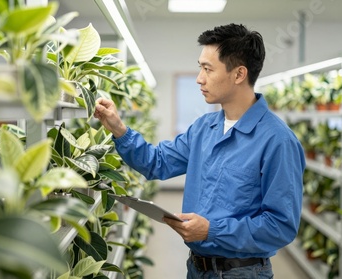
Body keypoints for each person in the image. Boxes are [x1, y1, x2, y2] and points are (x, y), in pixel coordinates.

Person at [94, 23, 305, 279]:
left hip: (243, 273)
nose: (199, 78)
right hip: (196, 268)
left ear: (239, 74)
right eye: (200, 67)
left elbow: (280, 226)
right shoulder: (205, 128)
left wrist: (212, 231)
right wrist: (118, 128)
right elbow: (156, 162)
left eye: (208, 69)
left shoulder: (278, 140)